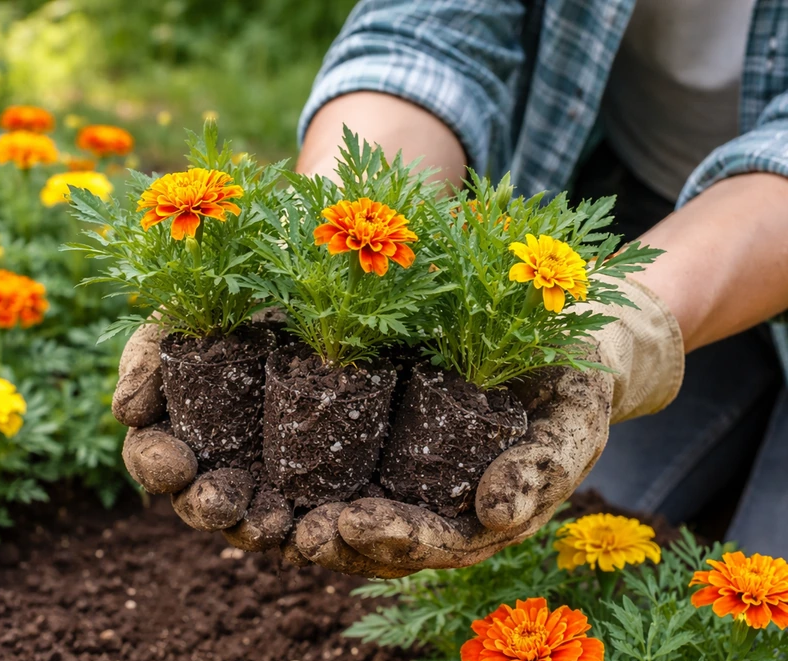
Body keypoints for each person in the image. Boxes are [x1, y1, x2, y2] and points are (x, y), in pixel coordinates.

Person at [117, 0, 788, 575]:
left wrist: (621, 328)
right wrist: (334, 223)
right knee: (561, 534)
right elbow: (428, 34)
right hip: (633, 188)